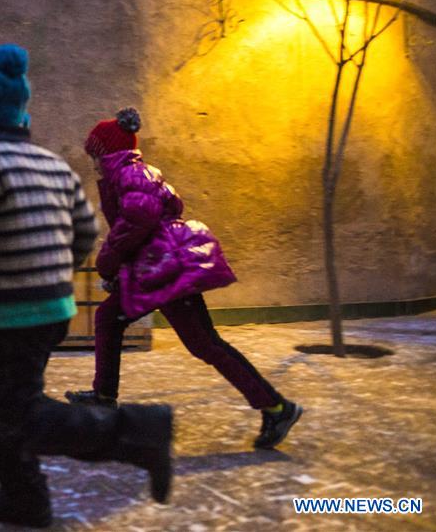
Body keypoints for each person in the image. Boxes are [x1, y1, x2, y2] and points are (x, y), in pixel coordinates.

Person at [0, 45, 174, 528]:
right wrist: (49, 268)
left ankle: (139, 431)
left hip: (12, 313)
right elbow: (84, 230)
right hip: (51, 309)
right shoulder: (48, 163)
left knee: (16, 413)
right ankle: (24, 498)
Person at [65, 107, 302, 450]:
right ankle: (103, 396)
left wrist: (108, 259)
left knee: (204, 343)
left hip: (168, 268)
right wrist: (120, 270)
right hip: (156, 267)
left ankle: (277, 407)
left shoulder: (131, 174)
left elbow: (138, 220)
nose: (93, 164)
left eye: (95, 156)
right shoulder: (127, 175)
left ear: (109, 153)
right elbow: (137, 227)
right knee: (109, 318)